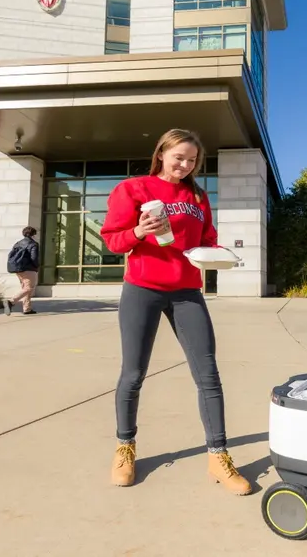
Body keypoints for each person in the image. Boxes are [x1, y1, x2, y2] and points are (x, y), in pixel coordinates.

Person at [99, 128, 251, 496]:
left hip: (186, 291)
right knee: (133, 374)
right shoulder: (133, 189)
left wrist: (217, 254)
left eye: (192, 160)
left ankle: (218, 456)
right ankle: (125, 448)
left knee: (208, 375)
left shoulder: (197, 196)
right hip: (143, 288)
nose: (185, 165)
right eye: (179, 157)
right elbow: (112, 239)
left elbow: (206, 239)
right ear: (162, 154)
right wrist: (138, 230)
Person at [3, 226, 39, 316]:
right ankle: (11, 302)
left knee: (26, 288)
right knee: (29, 288)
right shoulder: (33, 244)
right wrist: (37, 266)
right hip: (29, 269)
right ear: (33, 234)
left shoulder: (18, 243)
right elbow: (34, 258)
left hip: (18, 269)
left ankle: (27, 309)